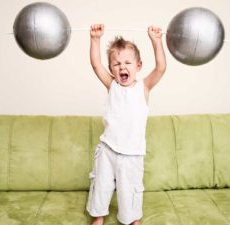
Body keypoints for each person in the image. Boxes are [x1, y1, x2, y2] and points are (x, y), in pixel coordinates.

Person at [86, 24, 166, 225]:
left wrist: (156, 41)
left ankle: (131, 218)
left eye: (128, 63)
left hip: (132, 154)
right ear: (112, 68)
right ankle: (98, 215)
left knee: (129, 188)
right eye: (116, 64)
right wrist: (95, 39)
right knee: (101, 185)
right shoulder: (112, 85)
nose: (122, 67)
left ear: (138, 66)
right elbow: (96, 64)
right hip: (108, 150)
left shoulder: (144, 87)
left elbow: (161, 68)